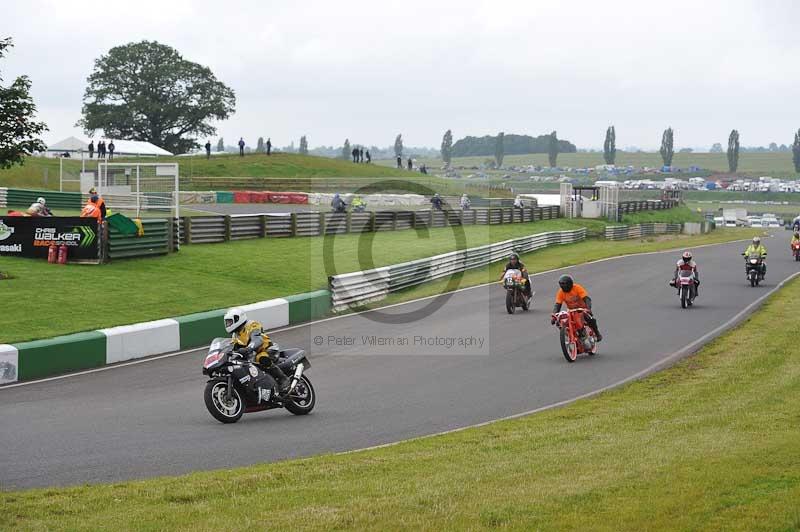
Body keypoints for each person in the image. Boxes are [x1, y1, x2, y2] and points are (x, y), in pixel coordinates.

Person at [223, 307, 290, 395]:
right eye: (227, 322)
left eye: (230, 322)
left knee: (261, 358)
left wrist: (248, 349)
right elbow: (231, 348)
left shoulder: (252, 325)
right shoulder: (235, 335)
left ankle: (283, 378)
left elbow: (257, 340)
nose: (228, 324)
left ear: (237, 319)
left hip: (268, 349)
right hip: (252, 355)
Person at [551, 275, 602, 341]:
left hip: (582, 308)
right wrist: (554, 316)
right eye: (562, 285)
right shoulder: (561, 292)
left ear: (570, 284)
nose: (563, 286)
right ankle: (568, 334)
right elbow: (557, 305)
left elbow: (586, 299)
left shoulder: (577, 288)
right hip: (571, 311)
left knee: (589, 319)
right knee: (560, 322)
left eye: (565, 284)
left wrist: (588, 309)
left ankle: (597, 334)